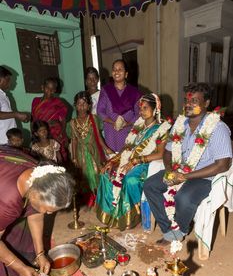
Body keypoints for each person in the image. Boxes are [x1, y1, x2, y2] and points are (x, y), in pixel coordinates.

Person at [144, 83, 232, 245]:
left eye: (194, 101)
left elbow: (223, 165)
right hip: (178, 169)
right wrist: (169, 170)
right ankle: (169, 229)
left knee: (183, 198)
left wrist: (185, 176)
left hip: (204, 176)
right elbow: (168, 151)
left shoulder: (218, 128)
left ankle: (181, 230)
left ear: (206, 104)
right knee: (150, 185)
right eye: (186, 101)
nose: (188, 105)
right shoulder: (180, 124)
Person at [0, 145, 75, 276]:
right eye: (48, 209)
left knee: (21, 231)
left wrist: (41, 253)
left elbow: (35, 215)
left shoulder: (39, 175)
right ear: (35, 193)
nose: (48, 214)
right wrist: (19, 267)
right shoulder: (8, 201)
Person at [96, 93, 171, 230]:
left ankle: (130, 218)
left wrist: (137, 160)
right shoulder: (138, 126)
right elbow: (127, 147)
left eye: (146, 108)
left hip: (147, 164)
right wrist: (113, 161)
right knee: (106, 173)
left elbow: (160, 154)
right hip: (129, 159)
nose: (141, 111)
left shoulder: (162, 128)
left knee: (130, 179)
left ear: (155, 110)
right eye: (140, 108)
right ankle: (110, 215)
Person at [70, 91, 113, 207]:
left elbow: (99, 137)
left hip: (94, 152)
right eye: (79, 104)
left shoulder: (93, 119)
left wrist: (106, 148)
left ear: (89, 106)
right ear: (75, 105)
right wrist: (73, 157)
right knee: (85, 176)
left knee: (97, 173)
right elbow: (73, 140)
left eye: (84, 104)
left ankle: (100, 197)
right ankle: (90, 197)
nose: (81, 107)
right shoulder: (72, 123)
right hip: (81, 153)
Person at [97, 59, 141, 152]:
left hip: (128, 132)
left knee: (126, 159)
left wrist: (127, 124)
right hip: (110, 132)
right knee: (112, 161)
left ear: (126, 74)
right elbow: (100, 111)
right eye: (114, 69)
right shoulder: (106, 90)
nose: (116, 72)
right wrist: (113, 122)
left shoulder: (135, 92)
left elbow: (139, 114)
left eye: (120, 69)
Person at [31, 77, 68, 162]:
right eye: (47, 88)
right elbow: (33, 119)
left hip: (55, 133)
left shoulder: (58, 103)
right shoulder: (35, 101)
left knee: (57, 157)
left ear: (55, 90)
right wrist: (33, 134)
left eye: (53, 89)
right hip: (40, 133)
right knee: (41, 157)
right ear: (42, 87)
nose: (50, 91)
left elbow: (63, 121)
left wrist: (61, 134)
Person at [0, 66, 30, 144]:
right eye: (8, 80)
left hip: (8, 140)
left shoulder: (3, 95)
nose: (10, 83)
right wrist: (16, 114)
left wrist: (19, 116)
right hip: (2, 141)